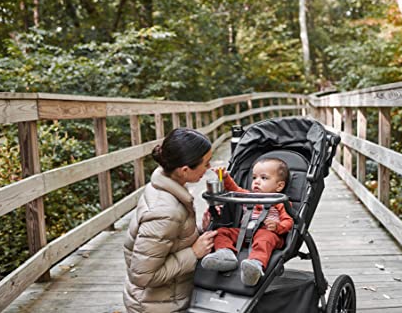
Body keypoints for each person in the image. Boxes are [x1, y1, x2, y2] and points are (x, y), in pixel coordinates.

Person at [123, 128, 218, 313]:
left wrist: (200, 229)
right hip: (156, 307)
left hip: (166, 299)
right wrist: (194, 253)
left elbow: (169, 239)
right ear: (184, 170)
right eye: (206, 164)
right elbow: (142, 276)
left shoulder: (167, 187)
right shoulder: (165, 211)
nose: (210, 168)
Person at [201, 158, 293, 286]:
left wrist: (278, 227)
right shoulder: (248, 195)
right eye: (254, 178)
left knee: (264, 239)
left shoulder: (280, 201)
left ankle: (254, 265)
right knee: (221, 232)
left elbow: (289, 221)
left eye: (264, 178)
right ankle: (225, 255)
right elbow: (234, 189)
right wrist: (225, 177)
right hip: (244, 232)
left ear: (279, 186)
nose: (256, 182)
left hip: (268, 233)